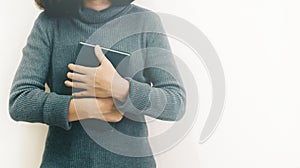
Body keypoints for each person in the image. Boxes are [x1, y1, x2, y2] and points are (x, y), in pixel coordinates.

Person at [9, 0, 186, 167]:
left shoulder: (145, 22)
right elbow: (20, 101)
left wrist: (120, 88)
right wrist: (89, 108)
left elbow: (176, 103)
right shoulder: (49, 23)